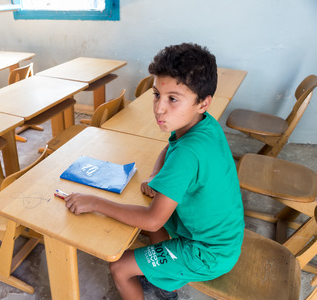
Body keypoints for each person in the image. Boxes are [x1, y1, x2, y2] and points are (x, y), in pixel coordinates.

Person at [64, 43, 245, 300]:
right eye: (156, 94)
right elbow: (171, 146)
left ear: (203, 103)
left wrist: (94, 202)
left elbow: (153, 220)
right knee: (150, 213)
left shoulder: (189, 153)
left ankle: (165, 281)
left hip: (208, 253)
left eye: (173, 98)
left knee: (119, 266)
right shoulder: (202, 124)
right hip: (220, 235)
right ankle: (164, 281)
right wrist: (154, 176)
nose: (159, 108)